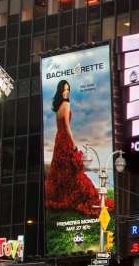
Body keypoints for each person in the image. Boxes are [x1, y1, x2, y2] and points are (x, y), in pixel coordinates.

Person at [44, 79, 113, 216]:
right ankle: (76, 197)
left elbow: (60, 127)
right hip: (65, 139)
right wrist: (74, 144)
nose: (66, 92)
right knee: (73, 171)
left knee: (61, 171)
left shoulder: (57, 108)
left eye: (68, 90)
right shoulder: (66, 104)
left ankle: (62, 197)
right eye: (64, 89)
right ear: (60, 90)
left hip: (59, 140)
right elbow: (67, 127)